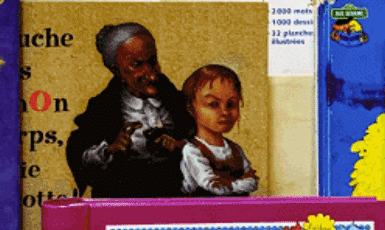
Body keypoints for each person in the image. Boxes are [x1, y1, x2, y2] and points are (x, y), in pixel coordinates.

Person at [67, 23, 194, 198]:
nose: (151, 74)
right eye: (137, 65)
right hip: (123, 199)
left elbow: (205, 141)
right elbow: (79, 152)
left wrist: (182, 147)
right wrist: (109, 150)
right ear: (115, 70)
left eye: (153, 61)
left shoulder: (178, 101)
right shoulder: (102, 108)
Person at [179, 64, 258, 196]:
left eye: (231, 104)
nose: (225, 112)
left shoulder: (236, 150)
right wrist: (240, 184)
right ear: (191, 108)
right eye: (213, 104)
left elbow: (253, 182)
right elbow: (213, 186)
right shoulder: (192, 150)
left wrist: (230, 185)